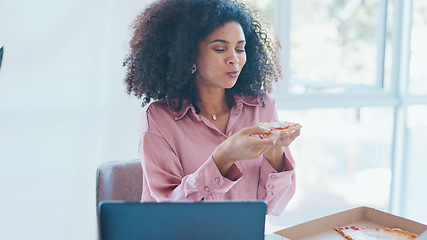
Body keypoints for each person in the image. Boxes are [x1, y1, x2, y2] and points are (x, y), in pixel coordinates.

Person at [124, 0, 301, 216]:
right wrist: (223, 158)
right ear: (188, 54)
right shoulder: (159, 119)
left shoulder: (262, 107)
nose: (234, 59)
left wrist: (275, 152)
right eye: (220, 48)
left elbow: (273, 207)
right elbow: (170, 212)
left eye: (240, 49)